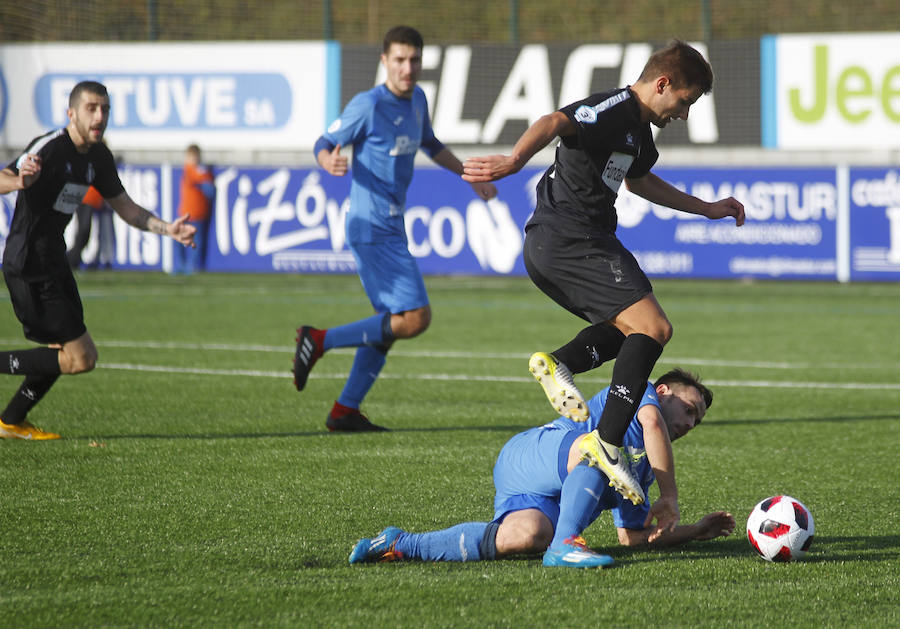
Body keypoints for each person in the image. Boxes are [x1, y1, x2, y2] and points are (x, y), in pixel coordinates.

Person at [462, 40, 745, 508]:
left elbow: (639, 180)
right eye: (685, 102)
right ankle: (606, 441)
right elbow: (556, 122)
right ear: (663, 83)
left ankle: (561, 365)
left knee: (633, 330)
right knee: (655, 327)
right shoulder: (615, 107)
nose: (685, 114)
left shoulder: (637, 132)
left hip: (569, 242)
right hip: (571, 238)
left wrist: (706, 209)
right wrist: (512, 161)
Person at [294, 25, 497, 432]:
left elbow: (430, 143)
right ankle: (318, 340)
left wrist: (467, 174)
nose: (408, 68)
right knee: (415, 317)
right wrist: (325, 161)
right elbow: (324, 140)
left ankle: (345, 410)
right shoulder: (368, 105)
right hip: (371, 225)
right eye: (400, 60)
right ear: (384, 61)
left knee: (388, 323)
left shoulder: (418, 99)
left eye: (415, 60)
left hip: (391, 223)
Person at [349, 369, 735, 567]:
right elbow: (651, 425)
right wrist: (670, 497)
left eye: (696, 422)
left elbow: (632, 539)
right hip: (537, 454)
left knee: (527, 536)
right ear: (663, 391)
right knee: (597, 449)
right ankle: (565, 544)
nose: (689, 424)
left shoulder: (644, 470)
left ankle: (399, 544)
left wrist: (694, 531)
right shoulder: (640, 392)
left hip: (542, 494)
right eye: (689, 410)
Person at [0, 80, 196, 440]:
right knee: (80, 357)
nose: (100, 116)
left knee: (67, 351)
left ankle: (11, 421)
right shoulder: (51, 148)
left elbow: (126, 208)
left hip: (54, 262)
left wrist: (168, 229)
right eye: (91, 108)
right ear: (71, 113)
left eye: (105, 109)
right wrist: (18, 183)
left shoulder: (99, 158)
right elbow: (5, 176)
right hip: (28, 264)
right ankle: (10, 420)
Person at [174, 144, 214, 274]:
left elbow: (209, 188)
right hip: (185, 212)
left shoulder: (199, 170)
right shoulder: (191, 170)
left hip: (198, 213)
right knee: (178, 239)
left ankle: (194, 266)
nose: (192, 160)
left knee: (197, 242)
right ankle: (181, 265)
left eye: (195, 157)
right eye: (190, 157)